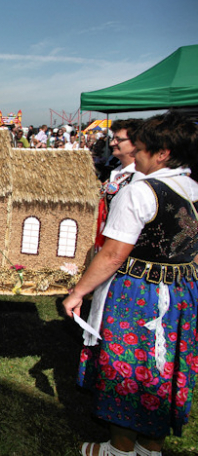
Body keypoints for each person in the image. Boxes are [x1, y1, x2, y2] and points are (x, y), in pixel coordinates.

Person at [62, 112, 198, 456]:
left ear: (162, 153)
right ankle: (150, 447)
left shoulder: (140, 192)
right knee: (163, 369)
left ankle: (119, 448)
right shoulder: (193, 188)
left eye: (139, 150)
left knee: (129, 370)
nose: (134, 156)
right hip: (182, 291)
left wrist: (79, 291)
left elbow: (112, 256)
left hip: (140, 293)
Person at [94, 119, 141, 251]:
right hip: (104, 242)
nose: (112, 143)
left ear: (136, 143)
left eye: (118, 139)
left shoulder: (140, 175)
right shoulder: (114, 170)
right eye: (113, 138)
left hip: (123, 248)